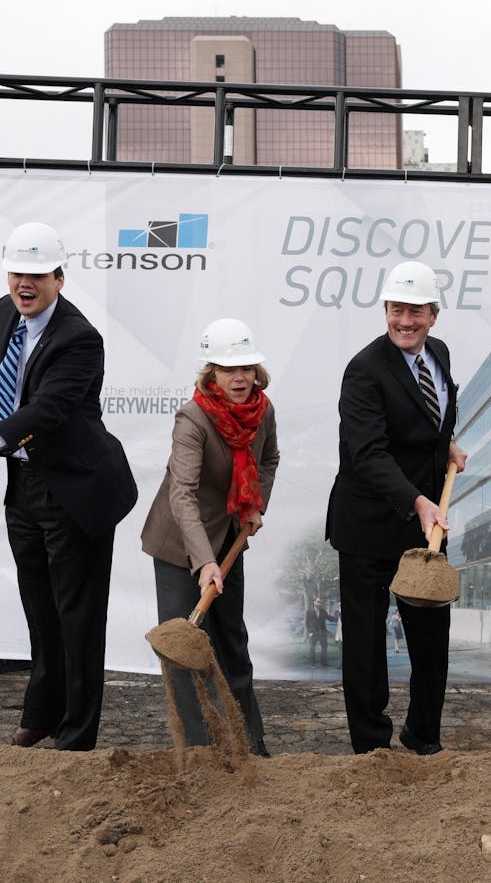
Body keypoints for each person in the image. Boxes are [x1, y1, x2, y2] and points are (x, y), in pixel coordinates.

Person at [0, 222, 137, 751]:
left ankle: (76, 735)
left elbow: (45, 410)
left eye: (37, 275)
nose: (25, 283)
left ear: (59, 279)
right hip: (24, 486)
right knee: (40, 610)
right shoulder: (7, 313)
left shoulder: (79, 339)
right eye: (17, 272)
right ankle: (43, 713)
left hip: (77, 492)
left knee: (78, 617)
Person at [325, 261, 467, 756]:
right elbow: (367, 454)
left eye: (415, 311)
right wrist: (416, 499)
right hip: (368, 524)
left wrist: (446, 444)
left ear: (434, 315)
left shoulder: (439, 354)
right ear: (386, 310)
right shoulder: (364, 371)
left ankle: (423, 734)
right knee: (365, 646)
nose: (404, 320)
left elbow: (438, 412)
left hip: (424, 526)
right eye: (396, 310)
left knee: (431, 637)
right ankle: (372, 747)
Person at [140, 318, 277, 755]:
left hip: (230, 536)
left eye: (246, 368)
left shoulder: (264, 410)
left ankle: (250, 744)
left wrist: (256, 504)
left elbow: (269, 459)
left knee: (232, 642)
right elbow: (181, 496)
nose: (239, 378)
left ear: (256, 371)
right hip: (180, 544)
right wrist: (203, 562)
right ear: (211, 373)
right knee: (187, 651)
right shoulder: (193, 418)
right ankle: (200, 752)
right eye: (226, 369)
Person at [307, 596, 332, 667]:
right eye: (318, 602)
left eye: (320, 602)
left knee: (324, 648)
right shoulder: (309, 611)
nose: (319, 603)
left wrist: (334, 615)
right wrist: (310, 632)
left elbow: (330, 618)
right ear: (314, 602)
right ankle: (312, 664)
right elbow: (307, 623)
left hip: (322, 633)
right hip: (313, 633)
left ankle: (324, 664)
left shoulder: (323, 611)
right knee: (312, 648)